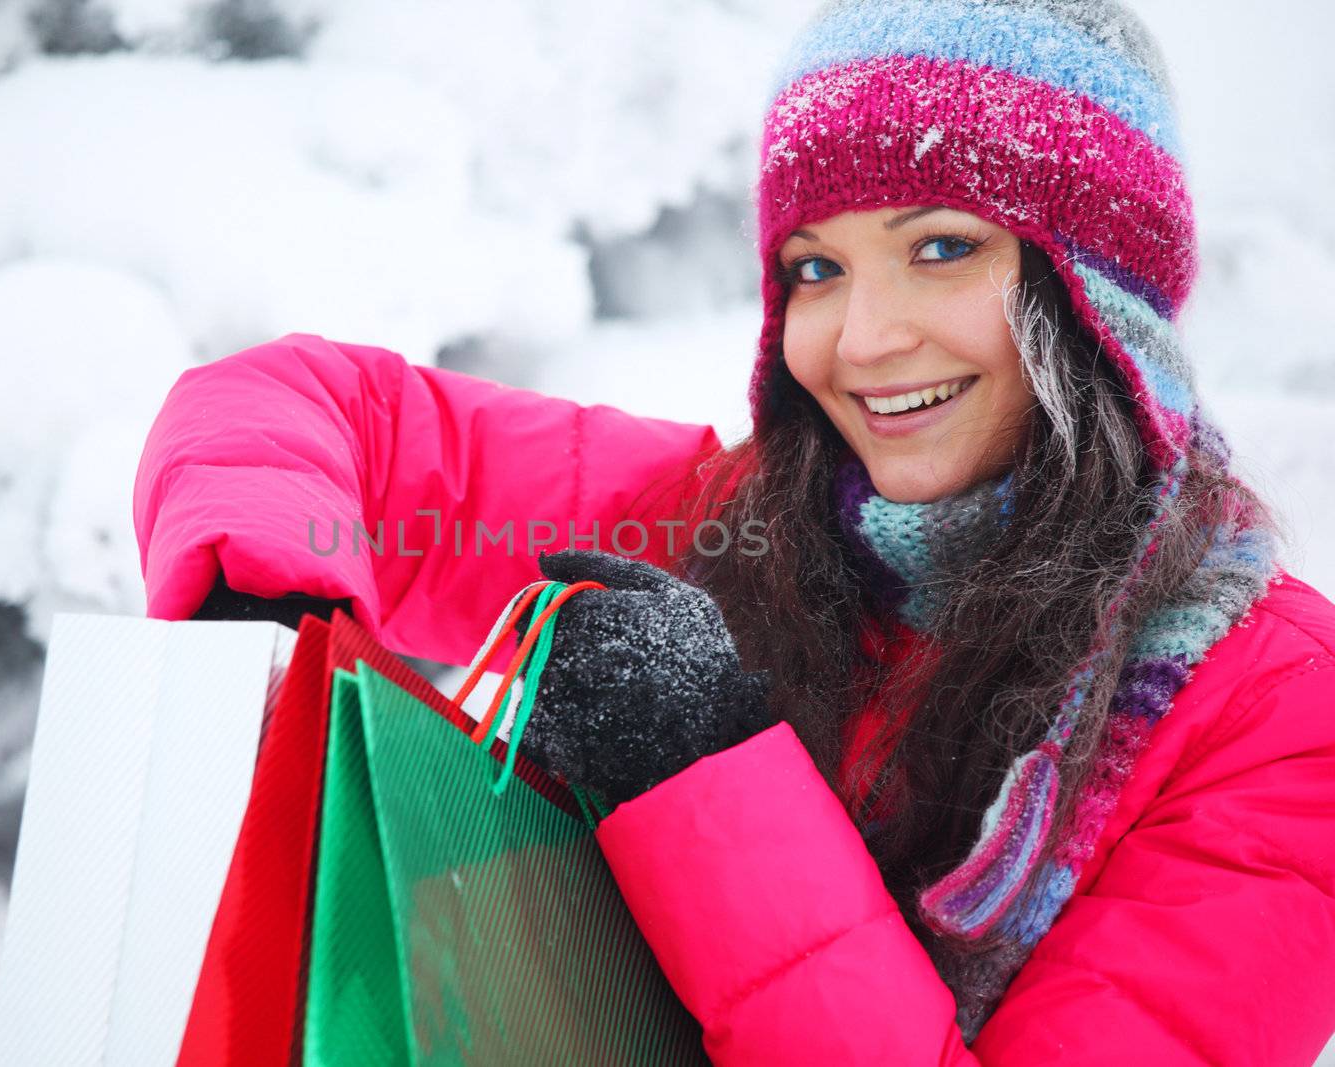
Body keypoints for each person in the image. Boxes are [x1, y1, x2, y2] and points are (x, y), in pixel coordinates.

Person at [133, 0, 1335, 1061]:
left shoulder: (1276, 714)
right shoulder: (717, 527)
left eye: (939, 248)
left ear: (1100, 291)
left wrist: (706, 773)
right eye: (815, 269)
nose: (861, 340)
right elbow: (299, 411)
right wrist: (267, 597)